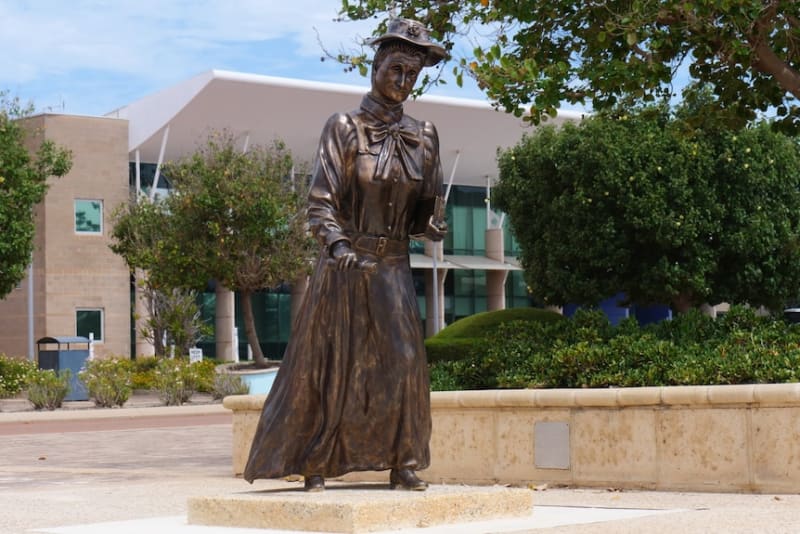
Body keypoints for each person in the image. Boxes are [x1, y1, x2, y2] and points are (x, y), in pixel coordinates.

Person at [243, 18, 448, 492]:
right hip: (345, 262)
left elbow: (424, 211)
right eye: (396, 69)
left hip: (393, 264)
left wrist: (431, 224)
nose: (402, 82)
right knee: (336, 365)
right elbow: (320, 202)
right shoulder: (344, 128)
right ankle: (316, 460)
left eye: (412, 76)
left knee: (403, 360)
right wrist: (338, 247)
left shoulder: (426, 135)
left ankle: (403, 460)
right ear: (376, 66)